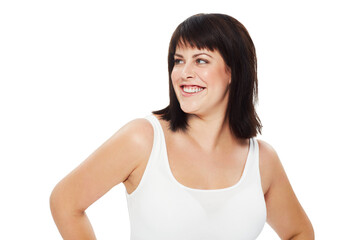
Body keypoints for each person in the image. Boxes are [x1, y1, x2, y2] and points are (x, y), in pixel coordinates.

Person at [50, 13, 314, 240]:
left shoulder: (262, 160)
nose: (184, 73)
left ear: (233, 71)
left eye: (200, 60)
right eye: (178, 60)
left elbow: (299, 232)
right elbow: (65, 202)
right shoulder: (143, 140)